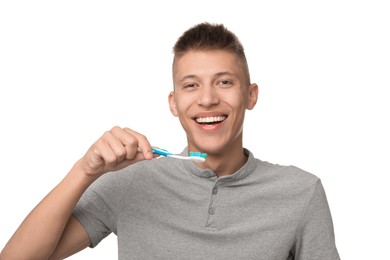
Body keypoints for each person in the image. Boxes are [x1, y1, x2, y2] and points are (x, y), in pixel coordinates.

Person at [0, 22, 340, 260]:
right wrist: (84, 171)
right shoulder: (131, 183)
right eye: (191, 85)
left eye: (224, 82)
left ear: (250, 96)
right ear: (173, 102)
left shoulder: (301, 192)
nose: (206, 99)